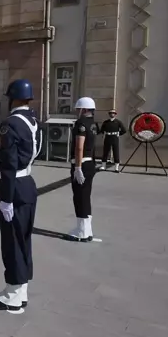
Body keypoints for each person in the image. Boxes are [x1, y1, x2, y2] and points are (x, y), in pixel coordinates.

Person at [0, 79, 41, 314]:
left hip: (15, 185)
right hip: (28, 183)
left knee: (12, 241)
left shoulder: (10, 124)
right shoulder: (35, 122)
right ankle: (22, 287)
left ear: (13, 99)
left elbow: (7, 164)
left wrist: (5, 199)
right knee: (24, 239)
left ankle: (13, 294)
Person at [67, 97, 98, 242]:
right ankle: (87, 230)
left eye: (79, 109)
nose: (77, 112)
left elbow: (79, 146)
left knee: (79, 197)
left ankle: (82, 232)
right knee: (86, 196)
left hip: (82, 164)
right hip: (90, 163)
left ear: (84, 109)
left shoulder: (81, 124)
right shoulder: (93, 124)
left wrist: (77, 168)